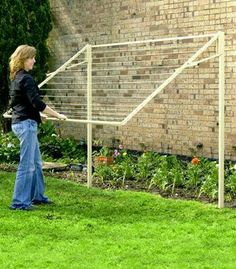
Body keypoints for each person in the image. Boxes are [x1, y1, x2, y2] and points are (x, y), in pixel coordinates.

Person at [9, 44, 67, 210]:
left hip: (23, 122)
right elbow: (37, 102)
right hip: (26, 125)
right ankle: (19, 202)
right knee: (27, 165)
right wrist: (57, 115)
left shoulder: (16, 77)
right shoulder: (26, 78)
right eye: (31, 58)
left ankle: (37, 196)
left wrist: (38, 115)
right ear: (23, 59)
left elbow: (18, 103)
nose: (34, 61)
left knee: (35, 162)